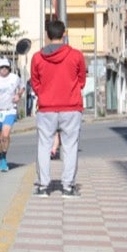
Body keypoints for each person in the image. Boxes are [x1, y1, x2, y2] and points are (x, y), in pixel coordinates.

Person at [30, 18, 88, 198]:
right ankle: (68, 187)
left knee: (43, 145)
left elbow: (35, 83)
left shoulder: (37, 57)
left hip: (46, 108)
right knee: (70, 147)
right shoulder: (76, 55)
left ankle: (43, 186)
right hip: (71, 107)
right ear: (64, 34)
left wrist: (44, 93)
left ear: (47, 35)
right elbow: (81, 80)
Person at [0, 57, 22, 171]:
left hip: (9, 110)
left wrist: (18, 95)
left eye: (6, 67)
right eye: (2, 67)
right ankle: (0, 158)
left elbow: (22, 88)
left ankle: (4, 158)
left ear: (9, 68)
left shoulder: (14, 78)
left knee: (5, 135)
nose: (4, 69)